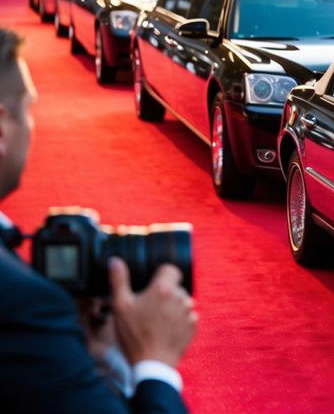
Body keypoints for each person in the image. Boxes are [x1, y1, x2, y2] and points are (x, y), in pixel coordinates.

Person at [0, 28, 196, 412]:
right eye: (28, 109)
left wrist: (96, 354)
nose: (30, 127)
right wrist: (154, 365)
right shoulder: (26, 305)